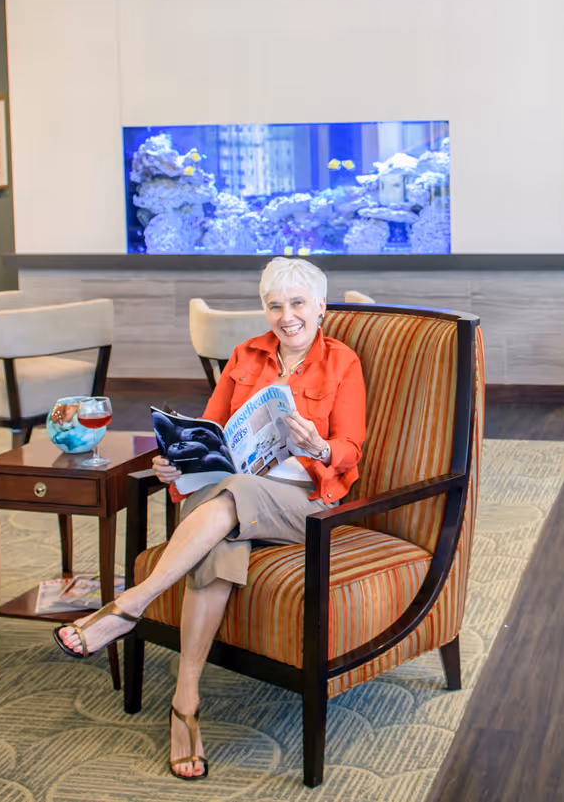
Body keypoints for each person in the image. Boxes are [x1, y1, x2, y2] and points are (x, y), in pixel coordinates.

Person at [53, 256, 367, 781]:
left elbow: (350, 448)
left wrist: (320, 445)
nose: (286, 316)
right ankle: (185, 703)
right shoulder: (246, 355)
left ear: (320, 308)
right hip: (232, 491)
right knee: (220, 533)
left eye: (297, 304)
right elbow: (209, 430)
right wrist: (174, 462)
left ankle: (131, 604)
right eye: (275, 306)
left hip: (305, 503)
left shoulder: (342, 362)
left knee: (229, 497)